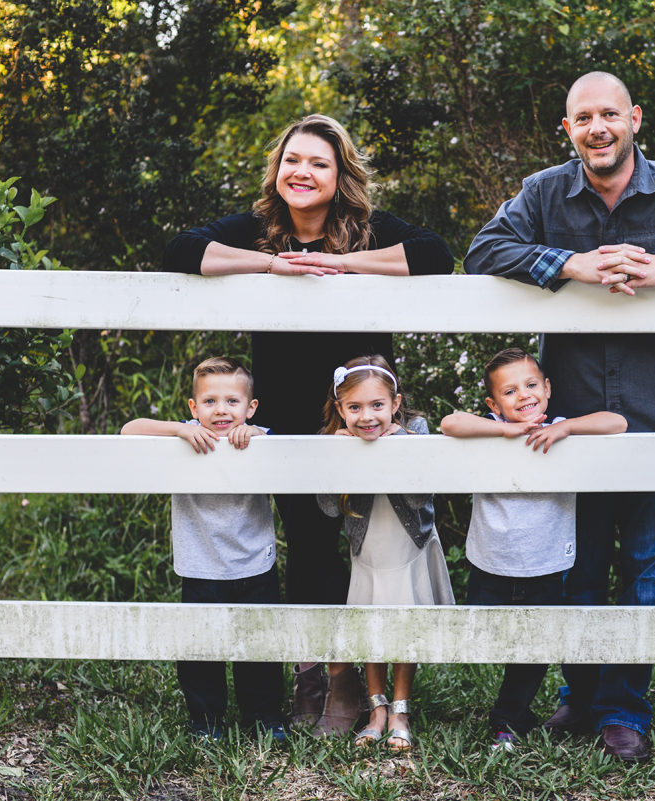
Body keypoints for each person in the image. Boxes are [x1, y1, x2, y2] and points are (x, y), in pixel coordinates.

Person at [463, 71, 655, 761]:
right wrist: (567, 263)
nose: (597, 126)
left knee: (647, 570)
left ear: (634, 118)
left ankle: (624, 710)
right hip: (567, 419)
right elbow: (483, 250)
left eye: (609, 113)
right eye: (583, 117)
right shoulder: (545, 193)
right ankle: (583, 695)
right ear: (568, 128)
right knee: (577, 567)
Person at [161, 114, 455, 727]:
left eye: (320, 163)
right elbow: (180, 249)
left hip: (361, 415)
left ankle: (362, 682)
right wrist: (271, 264)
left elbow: (436, 254)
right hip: (292, 418)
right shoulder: (259, 230)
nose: (304, 172)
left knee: (371, 545)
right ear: (278, 169)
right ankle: (320, 678)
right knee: (312, 549)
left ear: (340, 174)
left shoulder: (369, 228)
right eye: (293, 160)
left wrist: (346, 264)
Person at [440, 348, 626, 750]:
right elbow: (449, 422)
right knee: (486, 637)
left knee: (534, 645)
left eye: (530, 385)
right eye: (509, 391)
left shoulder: (559, 426)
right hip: (491, 561)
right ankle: (513, 711)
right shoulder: (490, 426)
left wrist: (567, 429)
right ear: (493, 404)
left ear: (547, 388)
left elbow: (618, 422)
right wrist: (503, 431)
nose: (523, 395)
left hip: (547, 563)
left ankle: (509, 718)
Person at [120, 357, 286, 741]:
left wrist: (260, 436)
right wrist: (180, 430)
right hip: (200, 563)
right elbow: (130, 430)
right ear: (194, 407)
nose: (221, 410)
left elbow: (287, 454)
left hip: (254, 562)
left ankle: (263, 717)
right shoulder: (187, 435)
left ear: (250, 407)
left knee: (259, 645)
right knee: (199, 648)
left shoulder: (260, 436)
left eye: (232, 401)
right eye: (209, 401)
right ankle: (206, 721)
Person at [315, 355, 454, 751]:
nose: (366, 416)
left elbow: (419, 494)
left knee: (403, 628)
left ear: (394, 403)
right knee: (370, 627)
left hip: (408, 547)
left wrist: (397, 445)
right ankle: (376, 711)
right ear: (341, 409)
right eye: (354, 407)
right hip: (368, 551)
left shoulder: (415, 431)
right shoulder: (332, 440)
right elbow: (328, 507)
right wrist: (337, 456)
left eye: (377, 405)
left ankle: (400, 712)